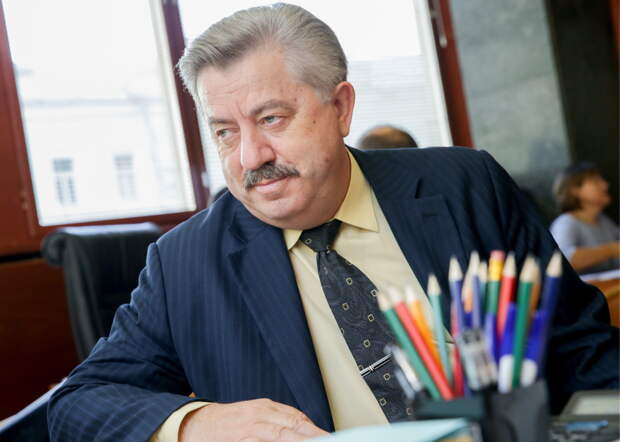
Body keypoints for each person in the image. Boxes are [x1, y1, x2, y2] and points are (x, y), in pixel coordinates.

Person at [48, 4, 619, 441]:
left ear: (341, 107)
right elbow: (77, 403)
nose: (249, 156)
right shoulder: (185, 263)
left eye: (271, 118)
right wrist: (197, 423)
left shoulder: (465, 187)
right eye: (224, 131)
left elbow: (587, 354)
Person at [550, 162, 620, 274]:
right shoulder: (565, 223)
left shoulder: (604, 221)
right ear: (575, 190)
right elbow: (562, 260)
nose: (605, 185)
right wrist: (611, 250)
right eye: (596, 181)